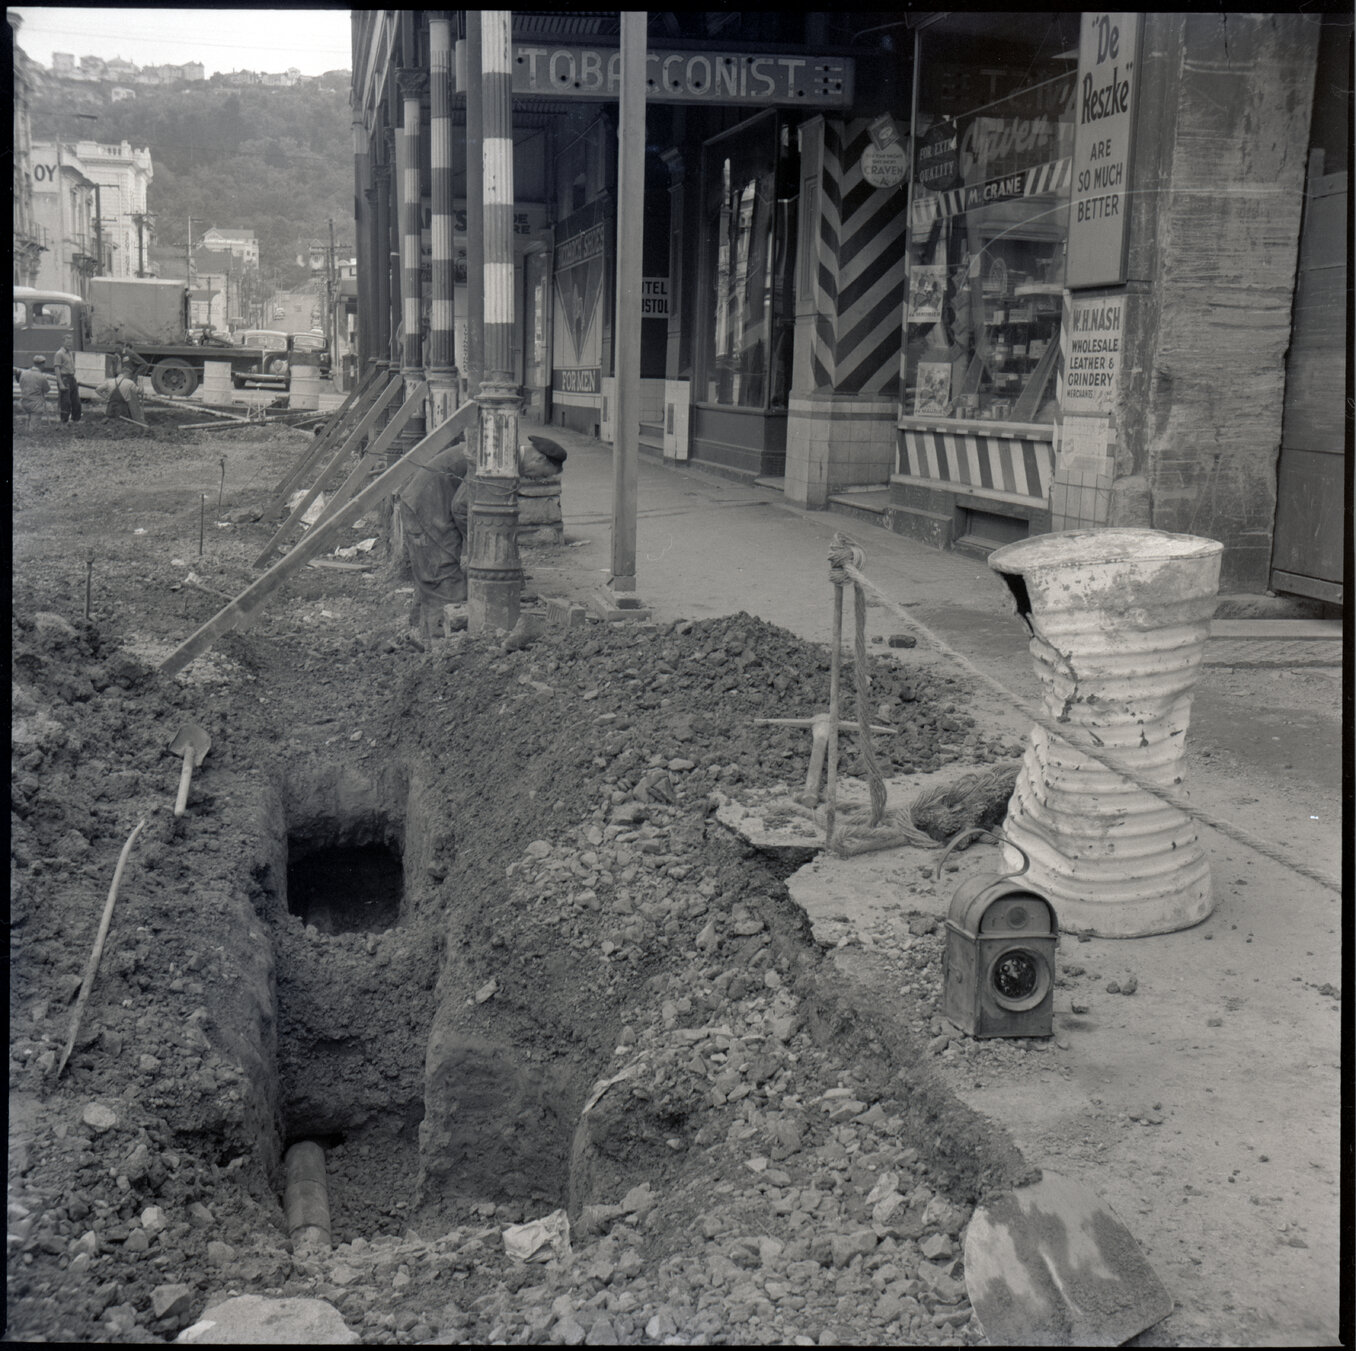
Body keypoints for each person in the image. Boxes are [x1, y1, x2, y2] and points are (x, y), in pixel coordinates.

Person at [16, 355, 51, 430]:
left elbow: (20, 384)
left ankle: (27, 431)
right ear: (42, 364)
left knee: (28, 423)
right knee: (34, 429)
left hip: (24, 402)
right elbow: (47, 389)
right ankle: (32, 432)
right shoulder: (41, 376)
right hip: (35, 405)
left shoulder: (24, 373)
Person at [53, 338, 81, 424]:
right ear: (62, 342)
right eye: (67, 343)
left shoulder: (70, 353)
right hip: (64, 378)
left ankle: (76, 420)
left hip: (72, 378)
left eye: (71, 343)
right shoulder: (59, 354)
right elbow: (57, 368)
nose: (69, 344)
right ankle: (64, 421)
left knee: (76, 401)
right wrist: (60, 383)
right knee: (66, 401)